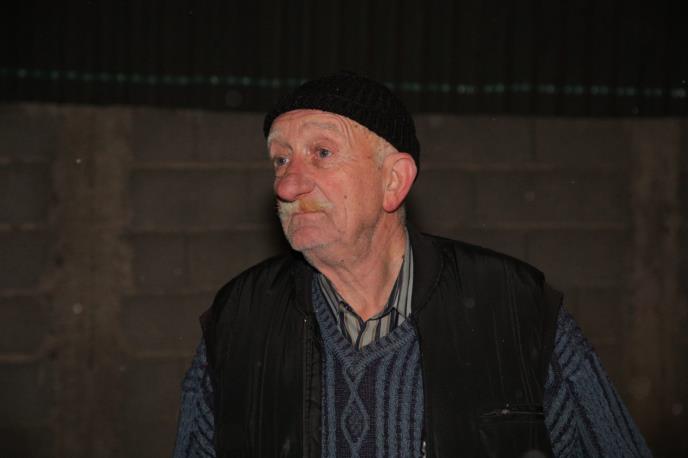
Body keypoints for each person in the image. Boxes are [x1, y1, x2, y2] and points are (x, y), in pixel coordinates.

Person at [173, 72, 651, 457]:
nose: (288, 184)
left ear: (394, 181)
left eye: (322, 153)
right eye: (280, 160)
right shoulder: (238, 318)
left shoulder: (516, 307)